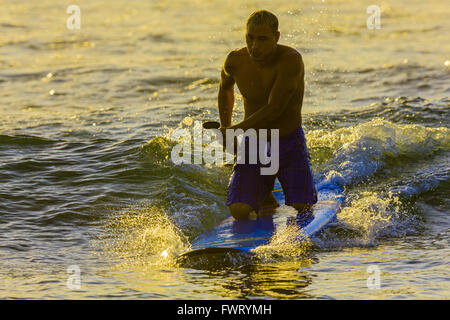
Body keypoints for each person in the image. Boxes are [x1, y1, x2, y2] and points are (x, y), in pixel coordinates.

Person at [218, 10, 318, 220]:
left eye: (262, 39)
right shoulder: (235, 60)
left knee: (302, 207)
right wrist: (225, 128)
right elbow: (224, 87)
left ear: (276, 37)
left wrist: (236, 129)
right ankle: (264, 195)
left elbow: (275, 109)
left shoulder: (290, 60)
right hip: (255, 142)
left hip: (289, 140)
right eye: (250, 38)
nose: (254, 46)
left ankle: (276, 191)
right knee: (239, 211)